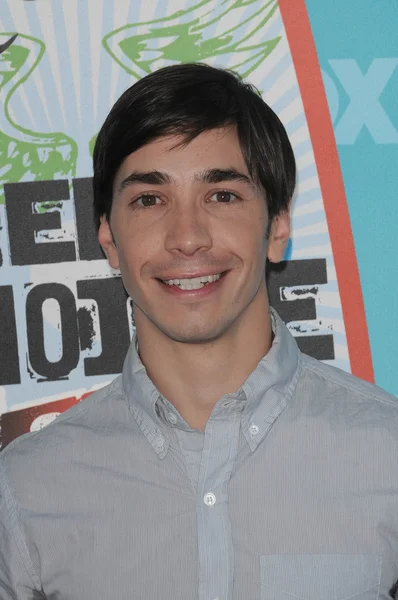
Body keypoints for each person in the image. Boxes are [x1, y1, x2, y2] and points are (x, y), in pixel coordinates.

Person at [0, 62, 397, 600]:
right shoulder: (23, 489)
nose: (187, 238)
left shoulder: (387, 454)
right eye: (149, 199)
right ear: (109, 239)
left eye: (222, 196)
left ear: (278, 225)